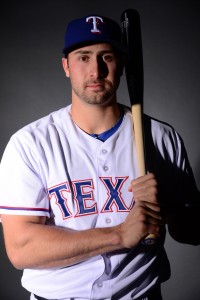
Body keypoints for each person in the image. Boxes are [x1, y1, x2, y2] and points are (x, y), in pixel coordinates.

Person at [0, 13, 199, 300]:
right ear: (66, 66)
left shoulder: (160, 138)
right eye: (83, 57)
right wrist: (119, 234)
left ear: (122, 64)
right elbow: (21, 249)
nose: (95, 71)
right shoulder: (30, 144)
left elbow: (192, 232)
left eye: (107, 57)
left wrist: (170, 207)